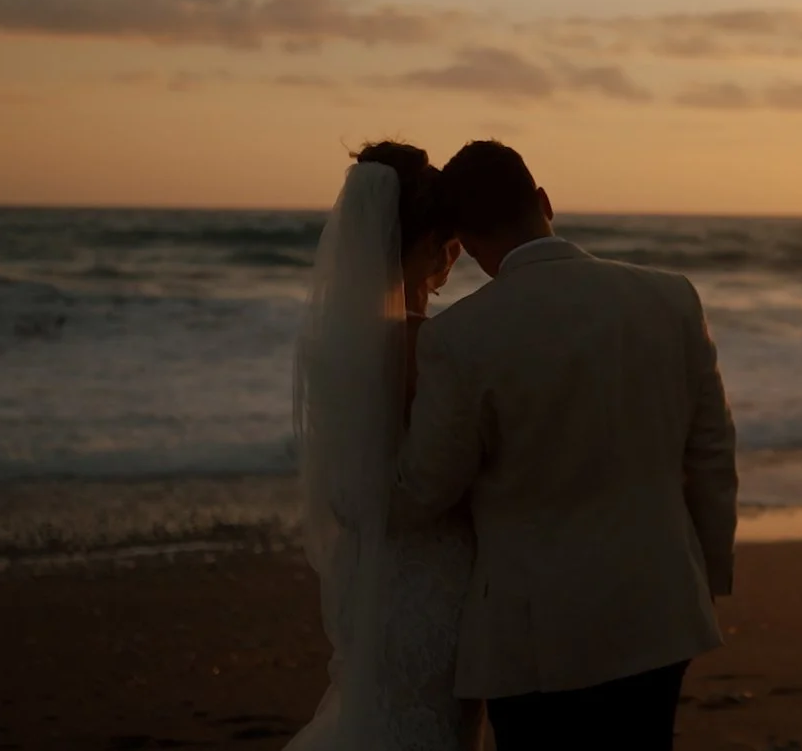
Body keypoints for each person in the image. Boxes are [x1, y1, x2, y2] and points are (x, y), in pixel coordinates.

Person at [394, 140, 739, 751]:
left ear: (468, 246)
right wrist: (704, 575)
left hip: (535, 639)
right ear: (545, 201)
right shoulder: (670, 297)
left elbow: (427, 489)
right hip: (659, 608)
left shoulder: (457, 339)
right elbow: (711, 450)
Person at [286, 141, 482, 751]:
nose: (453, 259)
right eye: (449, 246)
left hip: (364, 570)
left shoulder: (334, 348)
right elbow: (455, 467)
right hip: (432, 580)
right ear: (429, 249)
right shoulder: (429, 345)